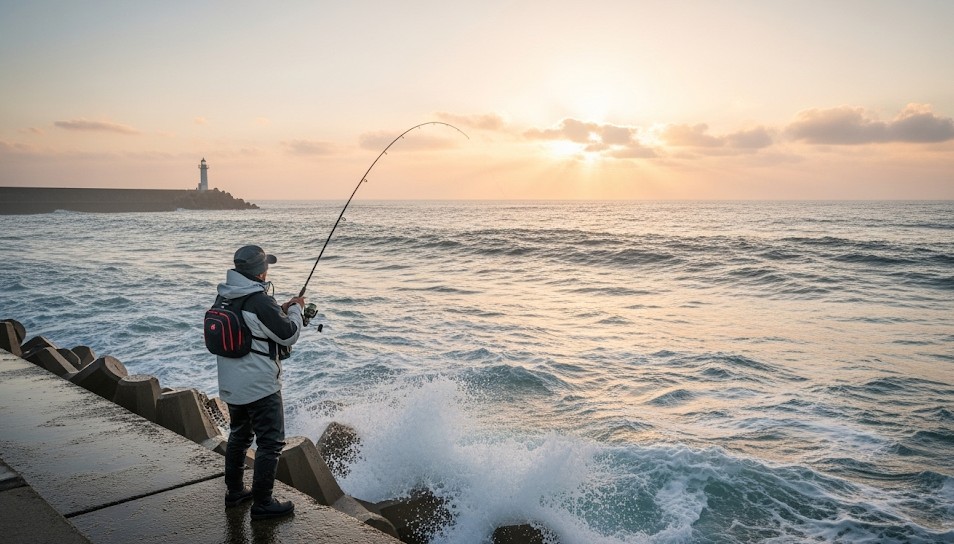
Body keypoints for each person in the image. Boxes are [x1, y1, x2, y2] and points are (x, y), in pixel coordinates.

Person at [216, 244, 305, 521]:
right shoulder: (260, 301)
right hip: (260, 386)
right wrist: (296, 311)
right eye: (266, 266)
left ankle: (235, 492)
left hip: (232, 383)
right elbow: (289, 334)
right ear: (261, 273)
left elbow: (250, 322)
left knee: (239, 436)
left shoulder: (224, 297)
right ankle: (263, 503)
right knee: (270, 442)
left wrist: (280, 308)